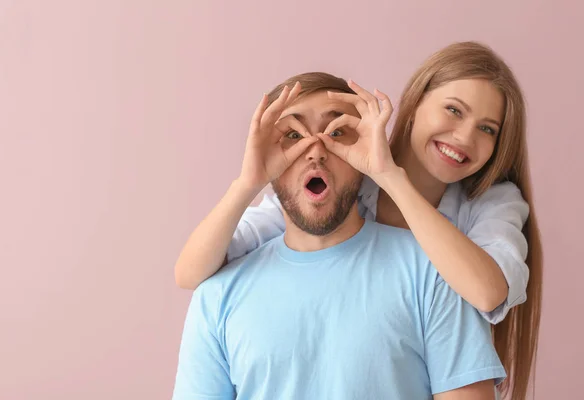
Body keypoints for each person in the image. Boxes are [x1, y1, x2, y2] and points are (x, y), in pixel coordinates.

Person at [174, 42, 542, 400]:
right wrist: (247, 183)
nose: (463, 136)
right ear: (414, 104)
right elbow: (192, 272)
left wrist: (388, 176)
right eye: (454, 110)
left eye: (488, 129)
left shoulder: (483, 214)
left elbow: (487, 291)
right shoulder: (341, 182)